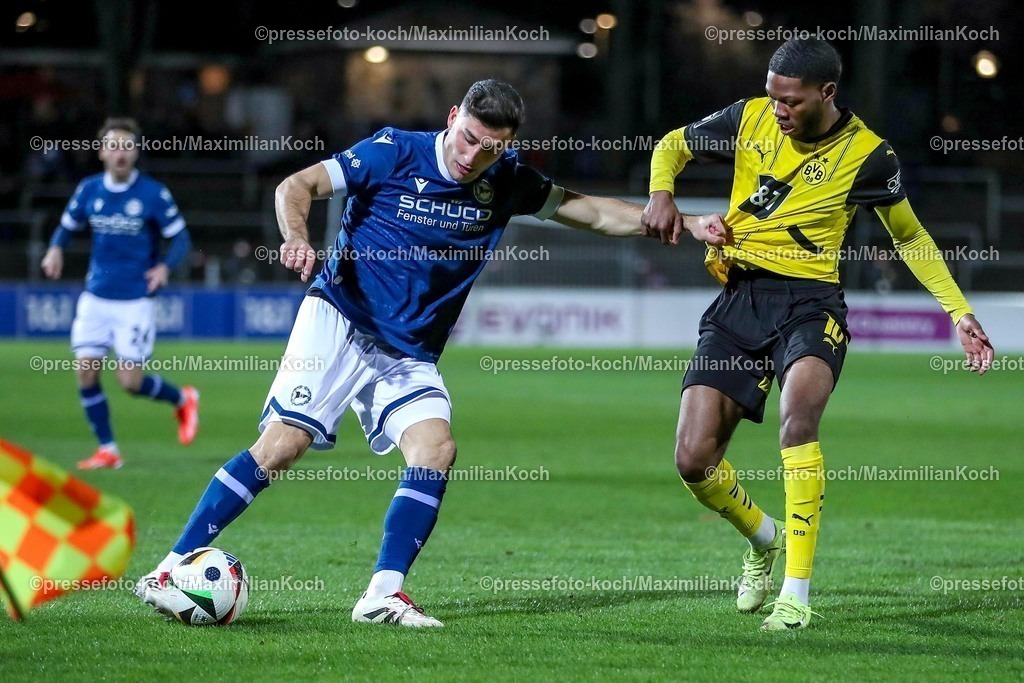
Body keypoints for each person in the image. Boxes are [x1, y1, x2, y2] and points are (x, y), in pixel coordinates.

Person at [135, 79, 727, 627]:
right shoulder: (394, 151)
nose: (474, 156)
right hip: (341, 317)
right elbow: (298, 185)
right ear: (453, 118)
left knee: (436, 447)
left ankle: (382, 595)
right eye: (469, 138)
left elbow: (592, 211)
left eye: (492, 148)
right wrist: (296, 236)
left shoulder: (509, 179)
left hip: (408, 350)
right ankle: (169, 567)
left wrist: (688, 223)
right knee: (283, 446)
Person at [642, 38, 995, 631]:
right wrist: (660, 192)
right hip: (739, 298)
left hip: (811, 304)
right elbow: (672, 145)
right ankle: (762, 539)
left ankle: (797, 595)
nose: (777, 109)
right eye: (772, 95)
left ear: (827, 93)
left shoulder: (867, 155)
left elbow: (908, 236)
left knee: (797, 419)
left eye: (790, 100)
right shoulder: (749, 116)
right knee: (693, 459)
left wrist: (958, 312)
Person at [41, 117, 199, 469]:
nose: (120, 152)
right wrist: (55, 249)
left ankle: (183, 398)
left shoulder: (153, 193)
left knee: (129, 381)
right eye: (113, 146)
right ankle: (108, 449)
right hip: (95, 297)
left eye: (127, 146)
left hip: (135, 301)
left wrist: (164, 267)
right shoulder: (89, 190)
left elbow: (182, 237)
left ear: (136, 152)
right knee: (85, 371)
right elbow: (66, 227)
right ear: (101, 152)